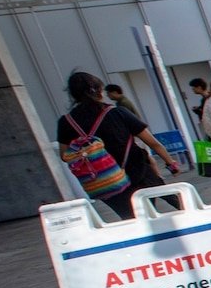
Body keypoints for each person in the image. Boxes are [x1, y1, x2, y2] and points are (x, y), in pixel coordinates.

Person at [55, 71, 180, 220]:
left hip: (105, 181)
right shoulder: (118, 112)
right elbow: (152, 142)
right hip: (137, 172)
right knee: (175, 203)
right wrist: (170, 163)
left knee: (132, 220)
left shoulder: (66, 122)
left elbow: (65, 156)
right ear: (99, 91)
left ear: (73, 95)